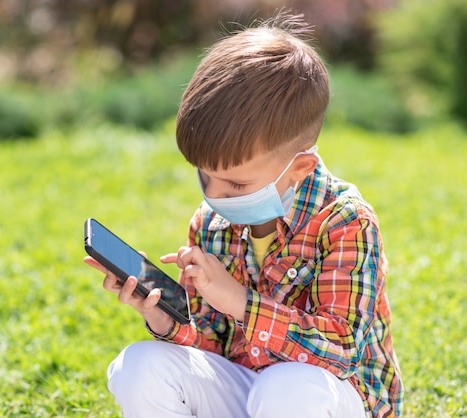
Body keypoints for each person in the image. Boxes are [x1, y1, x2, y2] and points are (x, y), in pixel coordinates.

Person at [83, 13, 403, 418]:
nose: (215, 195)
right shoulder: (211, 224)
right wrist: (164, 319)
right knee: (139, 367)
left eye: (235, 185)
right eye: (205, 175)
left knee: (285, 387)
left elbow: (341, 350)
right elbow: (213, 342)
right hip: (247, 387)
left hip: (325, 395)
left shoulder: (345, 221)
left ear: (300, 168)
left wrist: (241, 303)